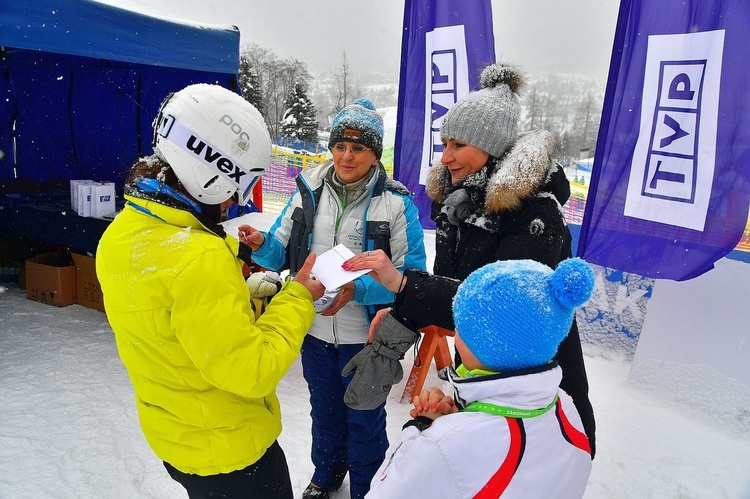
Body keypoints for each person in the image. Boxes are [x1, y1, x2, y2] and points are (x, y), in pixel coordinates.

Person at [343, 61, 597, 456]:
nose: (445, 157)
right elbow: (453, 294)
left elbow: (495, 310)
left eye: (458, 145)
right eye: (445, 144)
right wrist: (402, 312)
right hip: (479, 372)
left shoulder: (535, 215)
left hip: (537, 387)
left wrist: (402, 286)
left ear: (492, 149)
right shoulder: (459, 202)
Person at [96, 84, 325, 498]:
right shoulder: (198, 257)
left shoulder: (120, 234)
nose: (235, 202)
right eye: (238, 185)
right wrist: (300, 297)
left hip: (178, 437)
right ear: (212, 174)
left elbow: (175, 328)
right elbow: (252, 370)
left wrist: (243, 298)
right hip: (231, 451)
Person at [238, 98, 426, 499]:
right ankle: (326, 474)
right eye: (340, 146)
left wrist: (359, 289)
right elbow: (278, 250)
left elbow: (412, 276)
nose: (346, 156)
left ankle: (365, 488)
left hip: (369, 336)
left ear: (375, 154)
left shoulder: (396, 203)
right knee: (324, 411)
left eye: (358, 148)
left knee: (364, 418)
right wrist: (259, 244)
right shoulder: (308, 191)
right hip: (314, 327)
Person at [365, 258, 595, 498]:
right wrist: (466, 415)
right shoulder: (565, 408)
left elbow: (383, 492)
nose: (454, 333)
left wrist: (420, 428)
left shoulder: (444, 446)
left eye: (462, 328)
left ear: (491, 347)